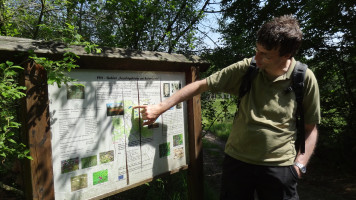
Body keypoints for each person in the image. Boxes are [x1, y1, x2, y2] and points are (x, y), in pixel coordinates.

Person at [134, 15, 320, 200]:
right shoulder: (248, 68)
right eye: (257, 50)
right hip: (238, 163)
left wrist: (299, 166)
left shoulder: (303, 78)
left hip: (280, 167)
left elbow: (310, 129)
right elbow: (201, 85)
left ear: (286, 55)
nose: (256, 57)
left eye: (265, 54)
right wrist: (160, 107)